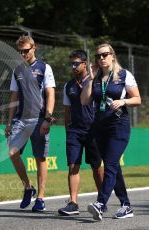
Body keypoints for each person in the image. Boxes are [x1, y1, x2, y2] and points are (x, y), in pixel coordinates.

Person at [81, 43, 141, 220]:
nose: (101, 58)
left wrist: (123, 102)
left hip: (119, 125)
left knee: (111, 164)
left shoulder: (124, 75)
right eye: (98, 56)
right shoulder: (96, 77)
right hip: (100, 127)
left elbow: (137, 98)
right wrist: (90, 79)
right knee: (113, 166)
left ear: (112, 56)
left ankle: (101, 203)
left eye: (105, 54)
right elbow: (85, 101)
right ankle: (126, 205)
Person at [4, 35, 56, 212]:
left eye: (26, 51)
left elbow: (50, 93)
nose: (23, 54)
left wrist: (48, 117)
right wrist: (9, 122)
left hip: (39, 118)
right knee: (12, 152)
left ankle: (40, 198)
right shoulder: (17, 70)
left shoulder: (44, 67)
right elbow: (14, 96)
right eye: (20, 52)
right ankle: (28, 187)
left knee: (40, 158)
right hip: (21, 119)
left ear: (34, 48)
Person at [58, 50, 104, 216]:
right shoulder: (68, 85)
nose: (73, 67)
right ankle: (73, 203)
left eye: (76, 63)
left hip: (93, 131)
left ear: (85, 63)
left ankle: (101, 201)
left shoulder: (97, 82)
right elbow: (66, 110)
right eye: (71, 64)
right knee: (73, 166)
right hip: (74, 131)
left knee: (97, 167)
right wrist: (67, 130)